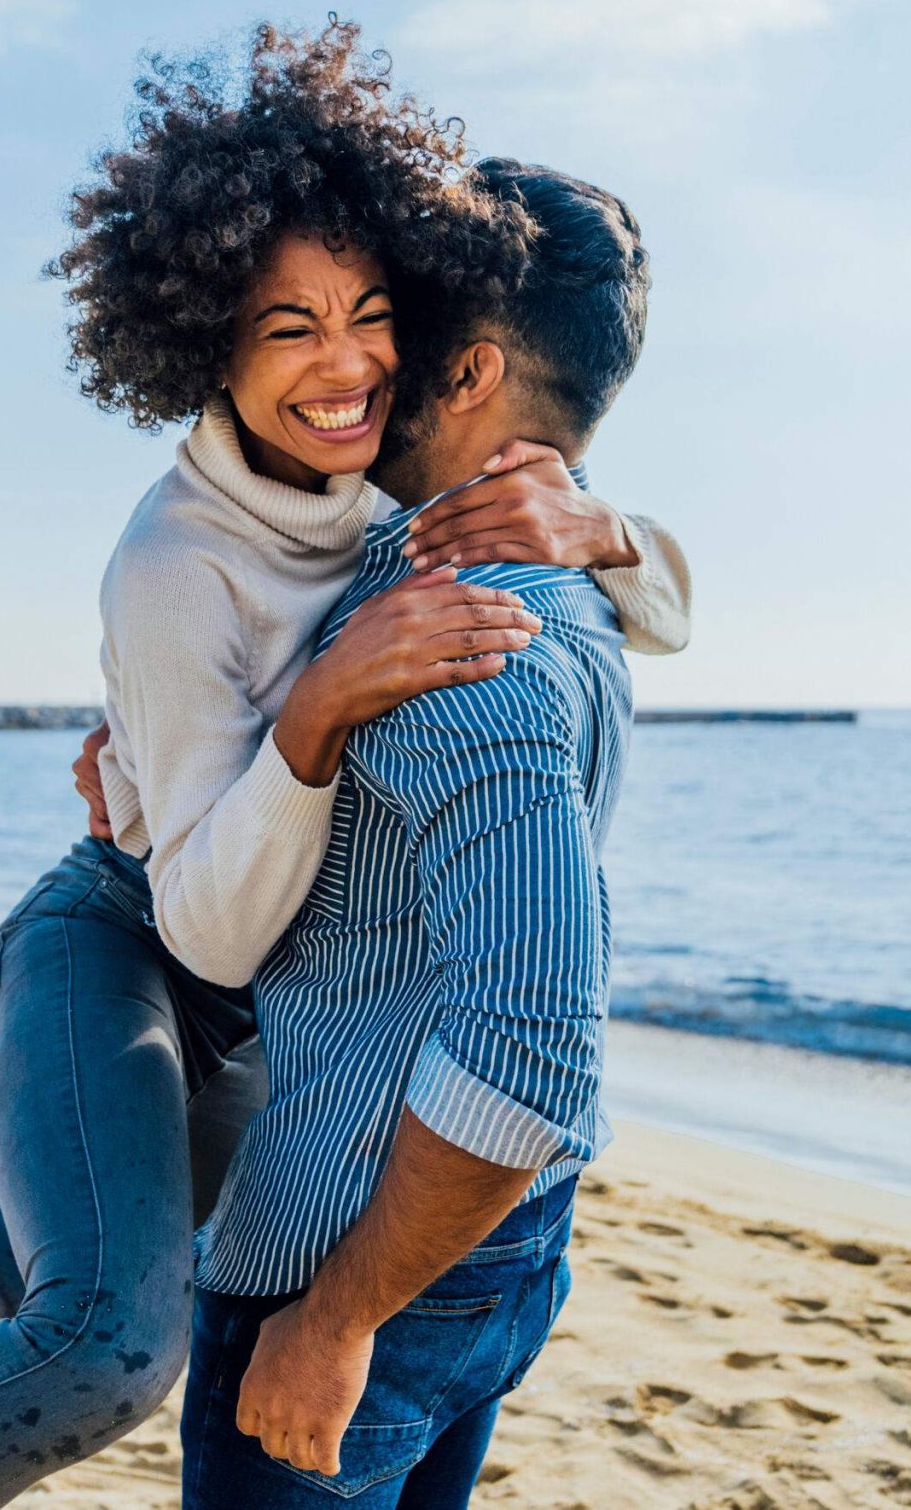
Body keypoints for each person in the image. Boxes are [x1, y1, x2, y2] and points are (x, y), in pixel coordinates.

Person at [0, 25, 690, 1509]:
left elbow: (608, 595)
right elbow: (205, 915)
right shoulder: (184, 560)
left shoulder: (428, 535)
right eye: (289, 328)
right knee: (112, 1345)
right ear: (209, 341)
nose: (352, 366)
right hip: (140, 921)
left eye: (381, 315)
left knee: (139, 1285)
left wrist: (616, 532)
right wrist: (303, 720)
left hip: (261, 978)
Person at [166, 158, 651, 1506]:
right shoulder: (574, 579)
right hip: (496, 1251)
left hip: (359, 1266)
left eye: (397, 318)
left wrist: (334, 1322)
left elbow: (533, 1040)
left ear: (472, 371)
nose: (365, 357)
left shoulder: (455, 630)